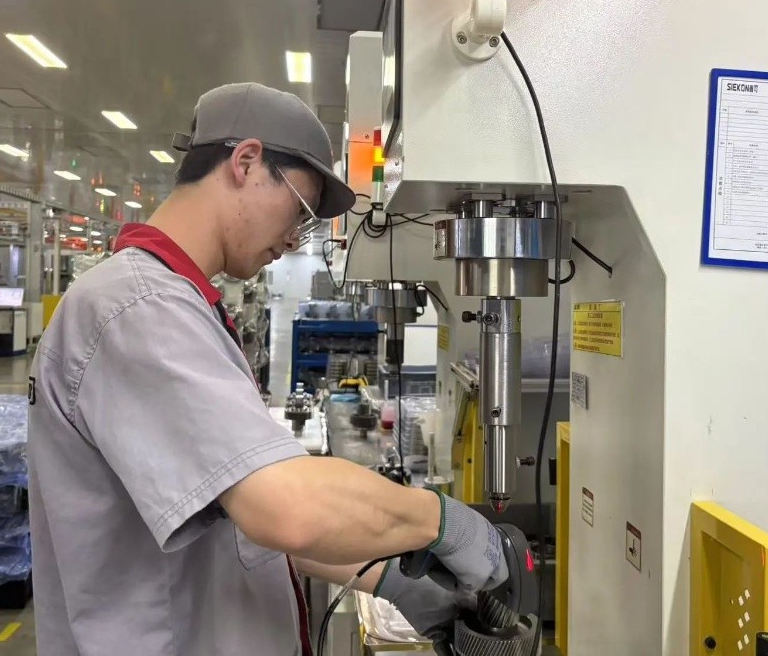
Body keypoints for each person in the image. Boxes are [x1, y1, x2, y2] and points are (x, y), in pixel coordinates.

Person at [28, 83, 507, 656]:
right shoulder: (138, 309)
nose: (292, 238)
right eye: (300, 211)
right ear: (246, 162)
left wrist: (392, 581)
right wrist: (440, 520)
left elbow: (231, 516)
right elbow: (281, 508)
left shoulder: (173, 303)